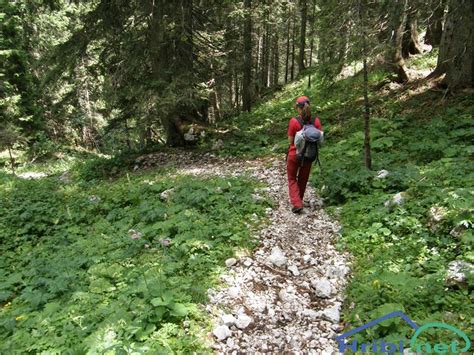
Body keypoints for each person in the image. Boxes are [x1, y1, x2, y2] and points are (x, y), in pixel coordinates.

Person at [286, 96, 323, 214]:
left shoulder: (294, 121)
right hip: (309, 155)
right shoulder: (316, 121)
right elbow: (320, 139)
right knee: (303, 179)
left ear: (298, 108)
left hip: (294, 155)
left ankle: (296, 203)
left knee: (292, 178)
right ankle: (299, 201)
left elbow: (290, 141)